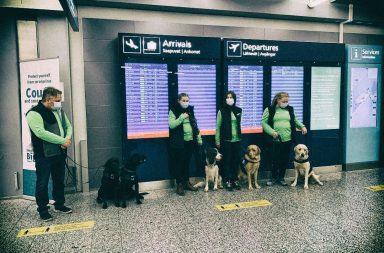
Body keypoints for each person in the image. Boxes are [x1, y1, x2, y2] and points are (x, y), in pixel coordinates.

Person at [26, 87, 73, 221]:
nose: (59, 103)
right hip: (44, 156)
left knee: (59, 181)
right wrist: (62, 140)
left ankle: (59, 204)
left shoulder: (57, 111)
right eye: (57, 100)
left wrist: (67, 139)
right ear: (49, 99)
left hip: (59, 153)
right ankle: (43, 209)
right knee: (43, 183)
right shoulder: (33, 113)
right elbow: (40, 133)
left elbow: (68, 126)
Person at [261, 92, 307, 186]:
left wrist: (302, 127)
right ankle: (273, 178)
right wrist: (272, 132)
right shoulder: (270, 109)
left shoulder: (290, 109)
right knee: (274, 159)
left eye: (287, 101)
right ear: (278, 100)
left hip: (288, 140)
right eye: (284, 101)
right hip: (275, 140)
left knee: (284, 160)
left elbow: (295, 120)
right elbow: (264, 123)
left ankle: (281, 177)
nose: (286, 103)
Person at [169, 93, 202, 196]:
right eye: (183, 100)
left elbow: (195, 125)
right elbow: (171, 125)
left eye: (187, 100)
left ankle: (186, 182)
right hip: (179, 143)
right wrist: (181, 117)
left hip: (190, 141)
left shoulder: (190, 110)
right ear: (179, 101)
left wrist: (199, 138)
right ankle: (179, 184)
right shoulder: (173, 110)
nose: (186, 102)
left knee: (187, 163)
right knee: (179, 164)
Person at [215, 91, 242, 191]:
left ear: (234, 99)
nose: (229, 99)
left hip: (237, 139)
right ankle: (227, 180)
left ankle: (235, 179)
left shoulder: (239, 110)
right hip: (226, 140)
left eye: (231, 97)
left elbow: (239, 124)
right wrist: (217, 141)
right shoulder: (221, 111)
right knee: (227, 161)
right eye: (228, 97)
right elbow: (218, 127)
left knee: (236, 160)